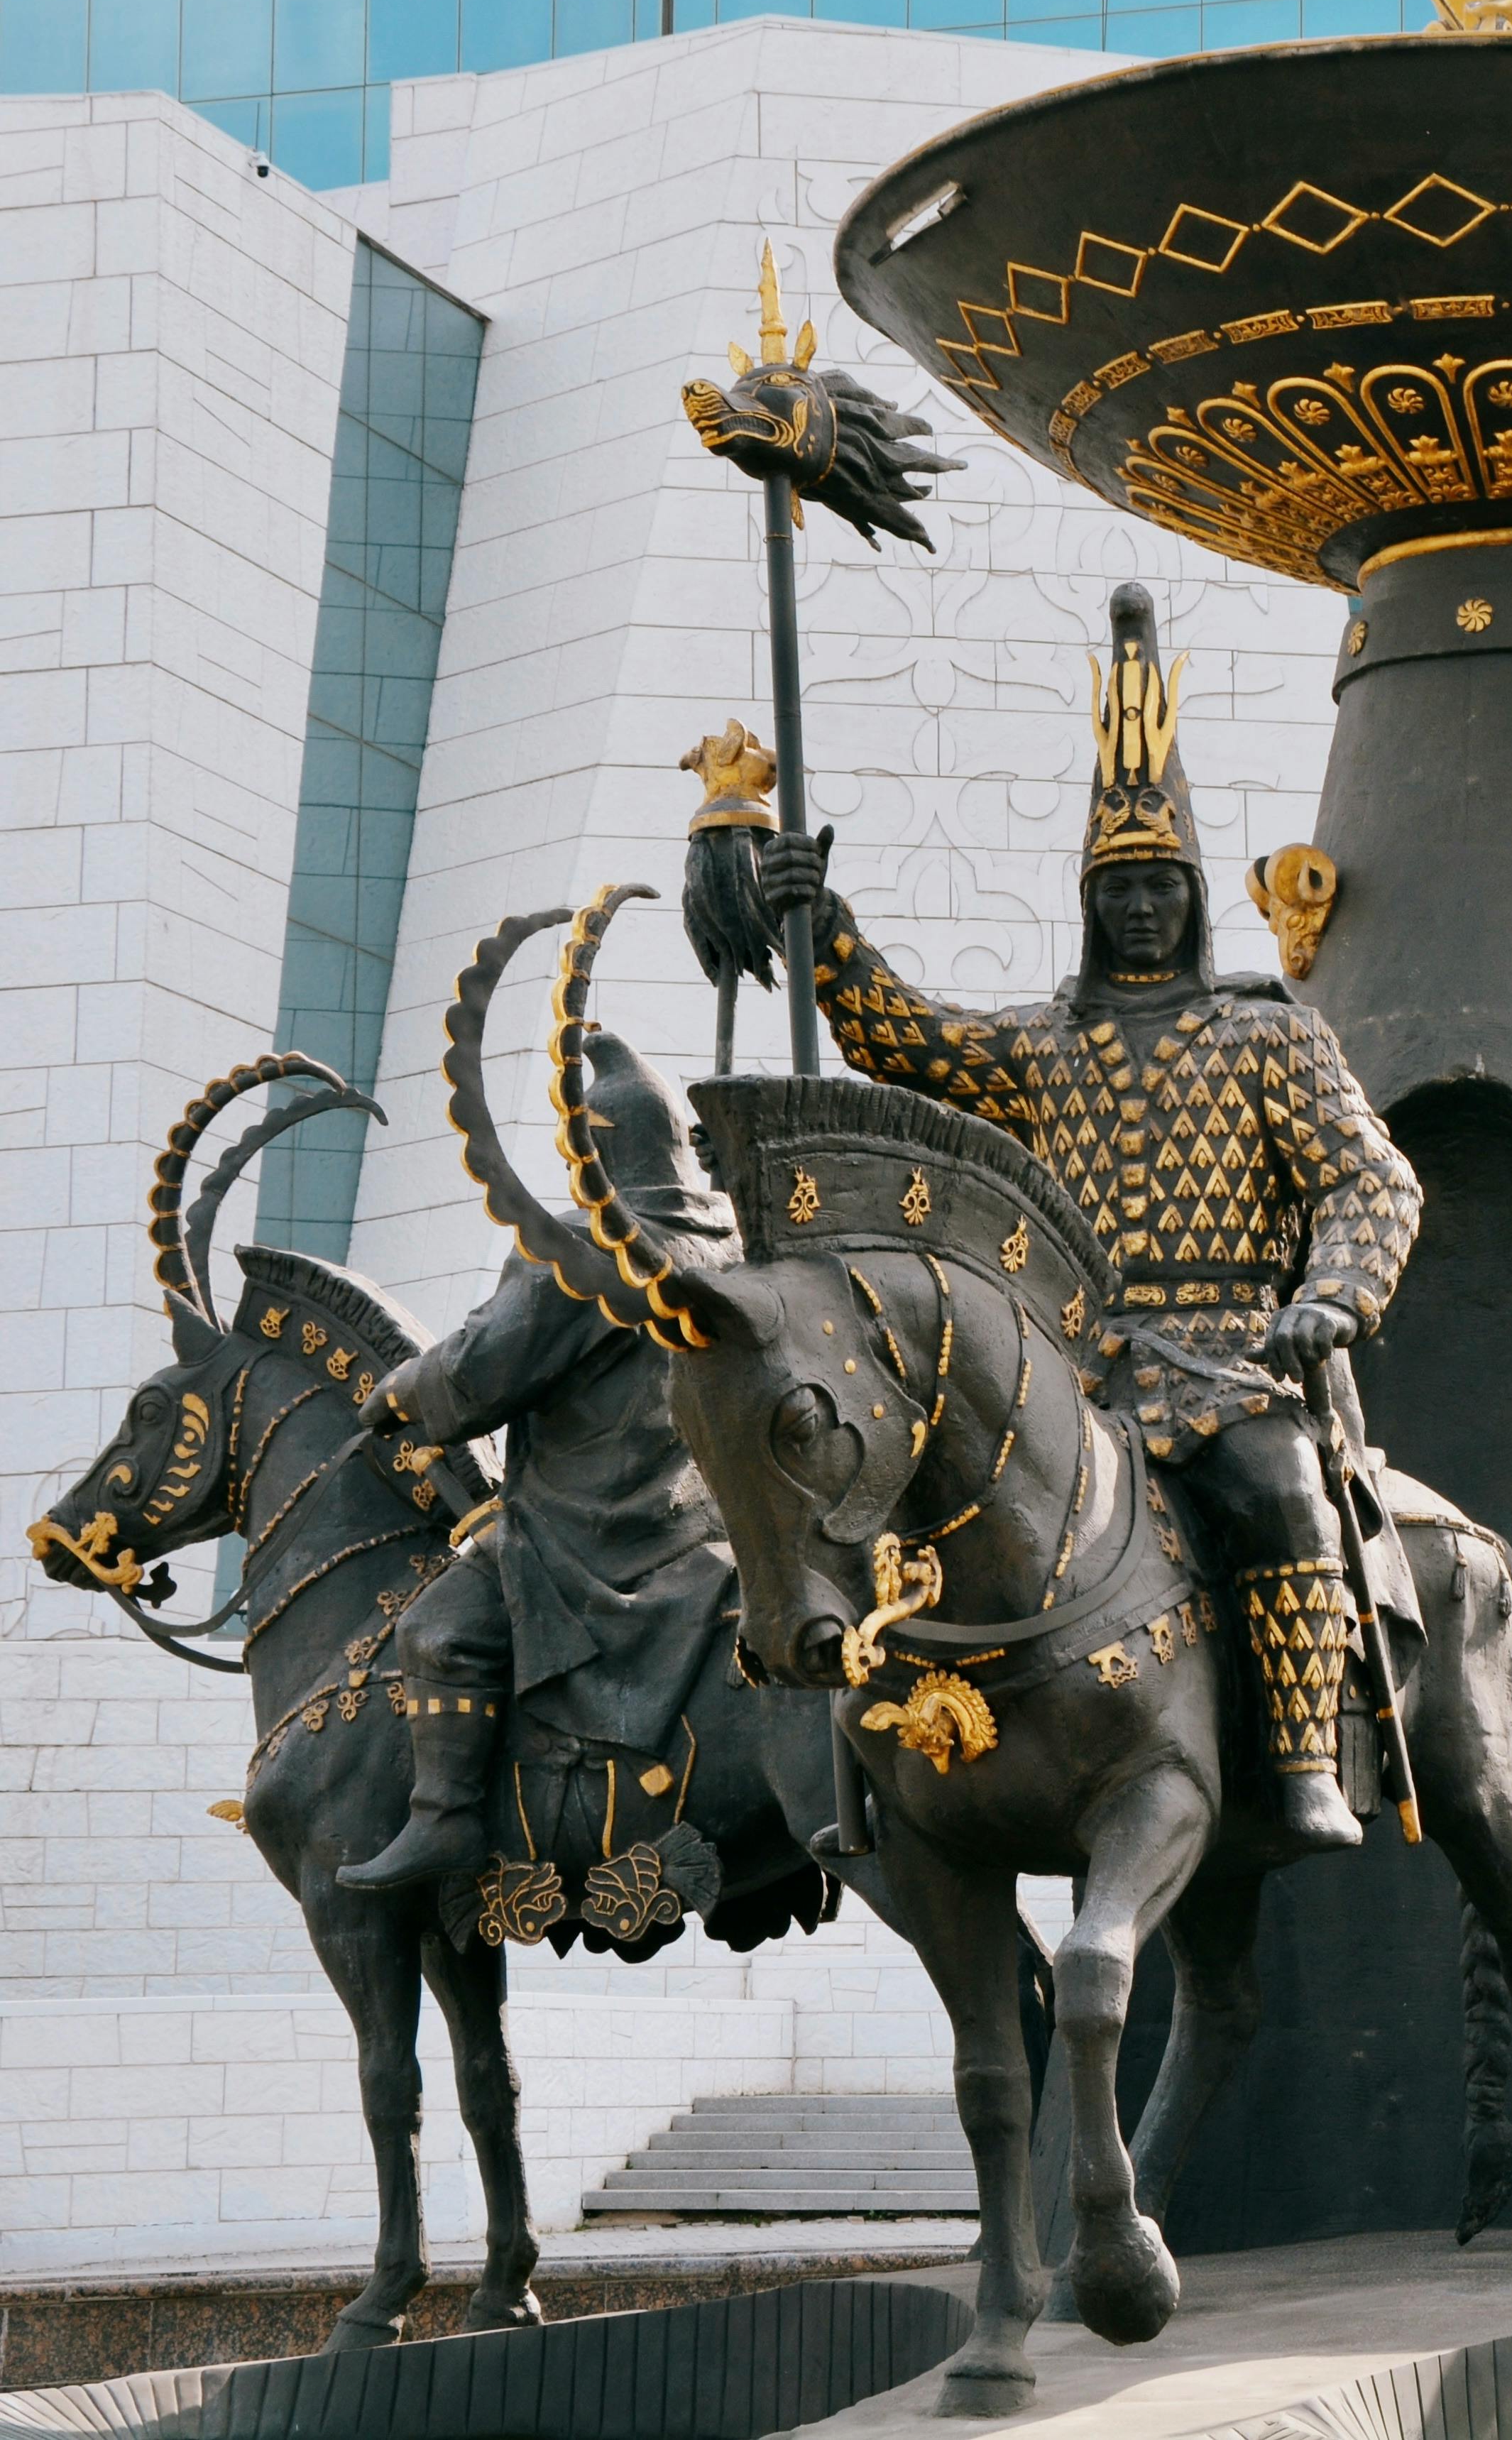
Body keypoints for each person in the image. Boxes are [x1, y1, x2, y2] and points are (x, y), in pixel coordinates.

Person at [759, 581, 1421, 1852]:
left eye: (1158, 883)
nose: (1137, 907)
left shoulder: (1267, 1036)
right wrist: (827, 933)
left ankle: (1300, 1762)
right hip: (1071, 1364)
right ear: (1088, 899)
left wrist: (1332, 1293)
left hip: (1229, 1356)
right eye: (1115, 885)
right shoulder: (1040, 1043)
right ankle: (885, 1766)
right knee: (893, 1505)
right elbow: (915, 1045)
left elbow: (1369, 1176)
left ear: (1191, 892)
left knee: (1282, 1491)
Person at [339, 1034, 740, 1893]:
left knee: (436, 1633)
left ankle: (443, 1819)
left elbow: (484, 1367)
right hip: (703, 1523)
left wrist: (405, 1390)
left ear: (598, 1149)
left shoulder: (584, 1248)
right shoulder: (727, 1243)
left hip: (588, 1526)